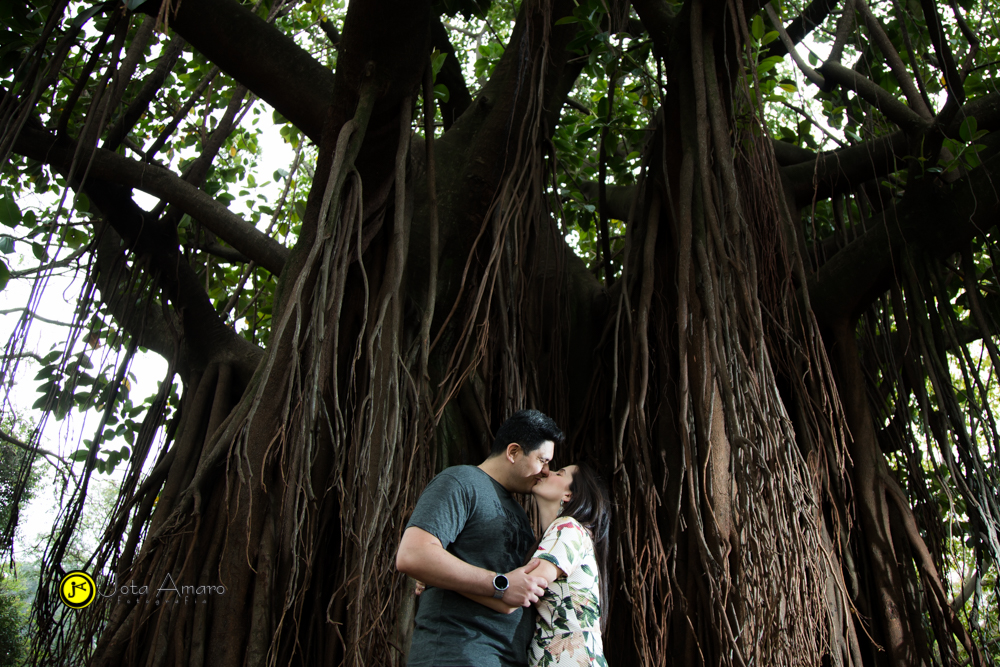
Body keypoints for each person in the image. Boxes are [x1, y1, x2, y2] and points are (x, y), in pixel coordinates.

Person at [396, 409, 565, 667]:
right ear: (513, 452)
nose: (546, 471)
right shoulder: (461, 482)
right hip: (455, 654)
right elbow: (413, 554)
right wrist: (500, 585)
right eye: (542, 460)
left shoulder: (519, 512)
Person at [463, 462, 611, 667]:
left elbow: (516, 593)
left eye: (559, 473)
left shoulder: (568, 528)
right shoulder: (557, 539)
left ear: (569, 495)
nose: (547, 471)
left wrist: (442, 580)